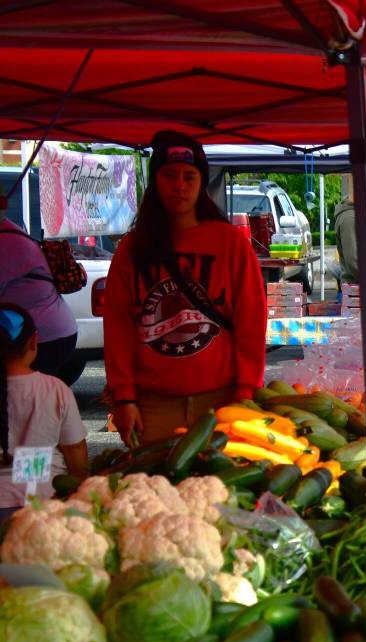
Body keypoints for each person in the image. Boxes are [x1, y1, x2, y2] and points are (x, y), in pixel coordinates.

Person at [104, 130, 267, 447]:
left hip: (221, 402)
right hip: (152, 406)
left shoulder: (229, 243)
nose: (179, 185)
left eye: (189, 176)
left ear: (201, 183)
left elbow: (252, 320)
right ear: (155, 181)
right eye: (169, 175)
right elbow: (118, 328)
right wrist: (124, 398)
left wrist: (247, 391)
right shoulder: (132, 249)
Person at [1, 304, 87, 518]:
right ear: (34, 341)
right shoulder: (55, 389)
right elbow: (75, 448)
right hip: (44, 499)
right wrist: (83, 487)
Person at [0, 194, 78, 380]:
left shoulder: (6, 243)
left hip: (44, 339)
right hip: (41, 334)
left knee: (26, 398)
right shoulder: (9, 232)